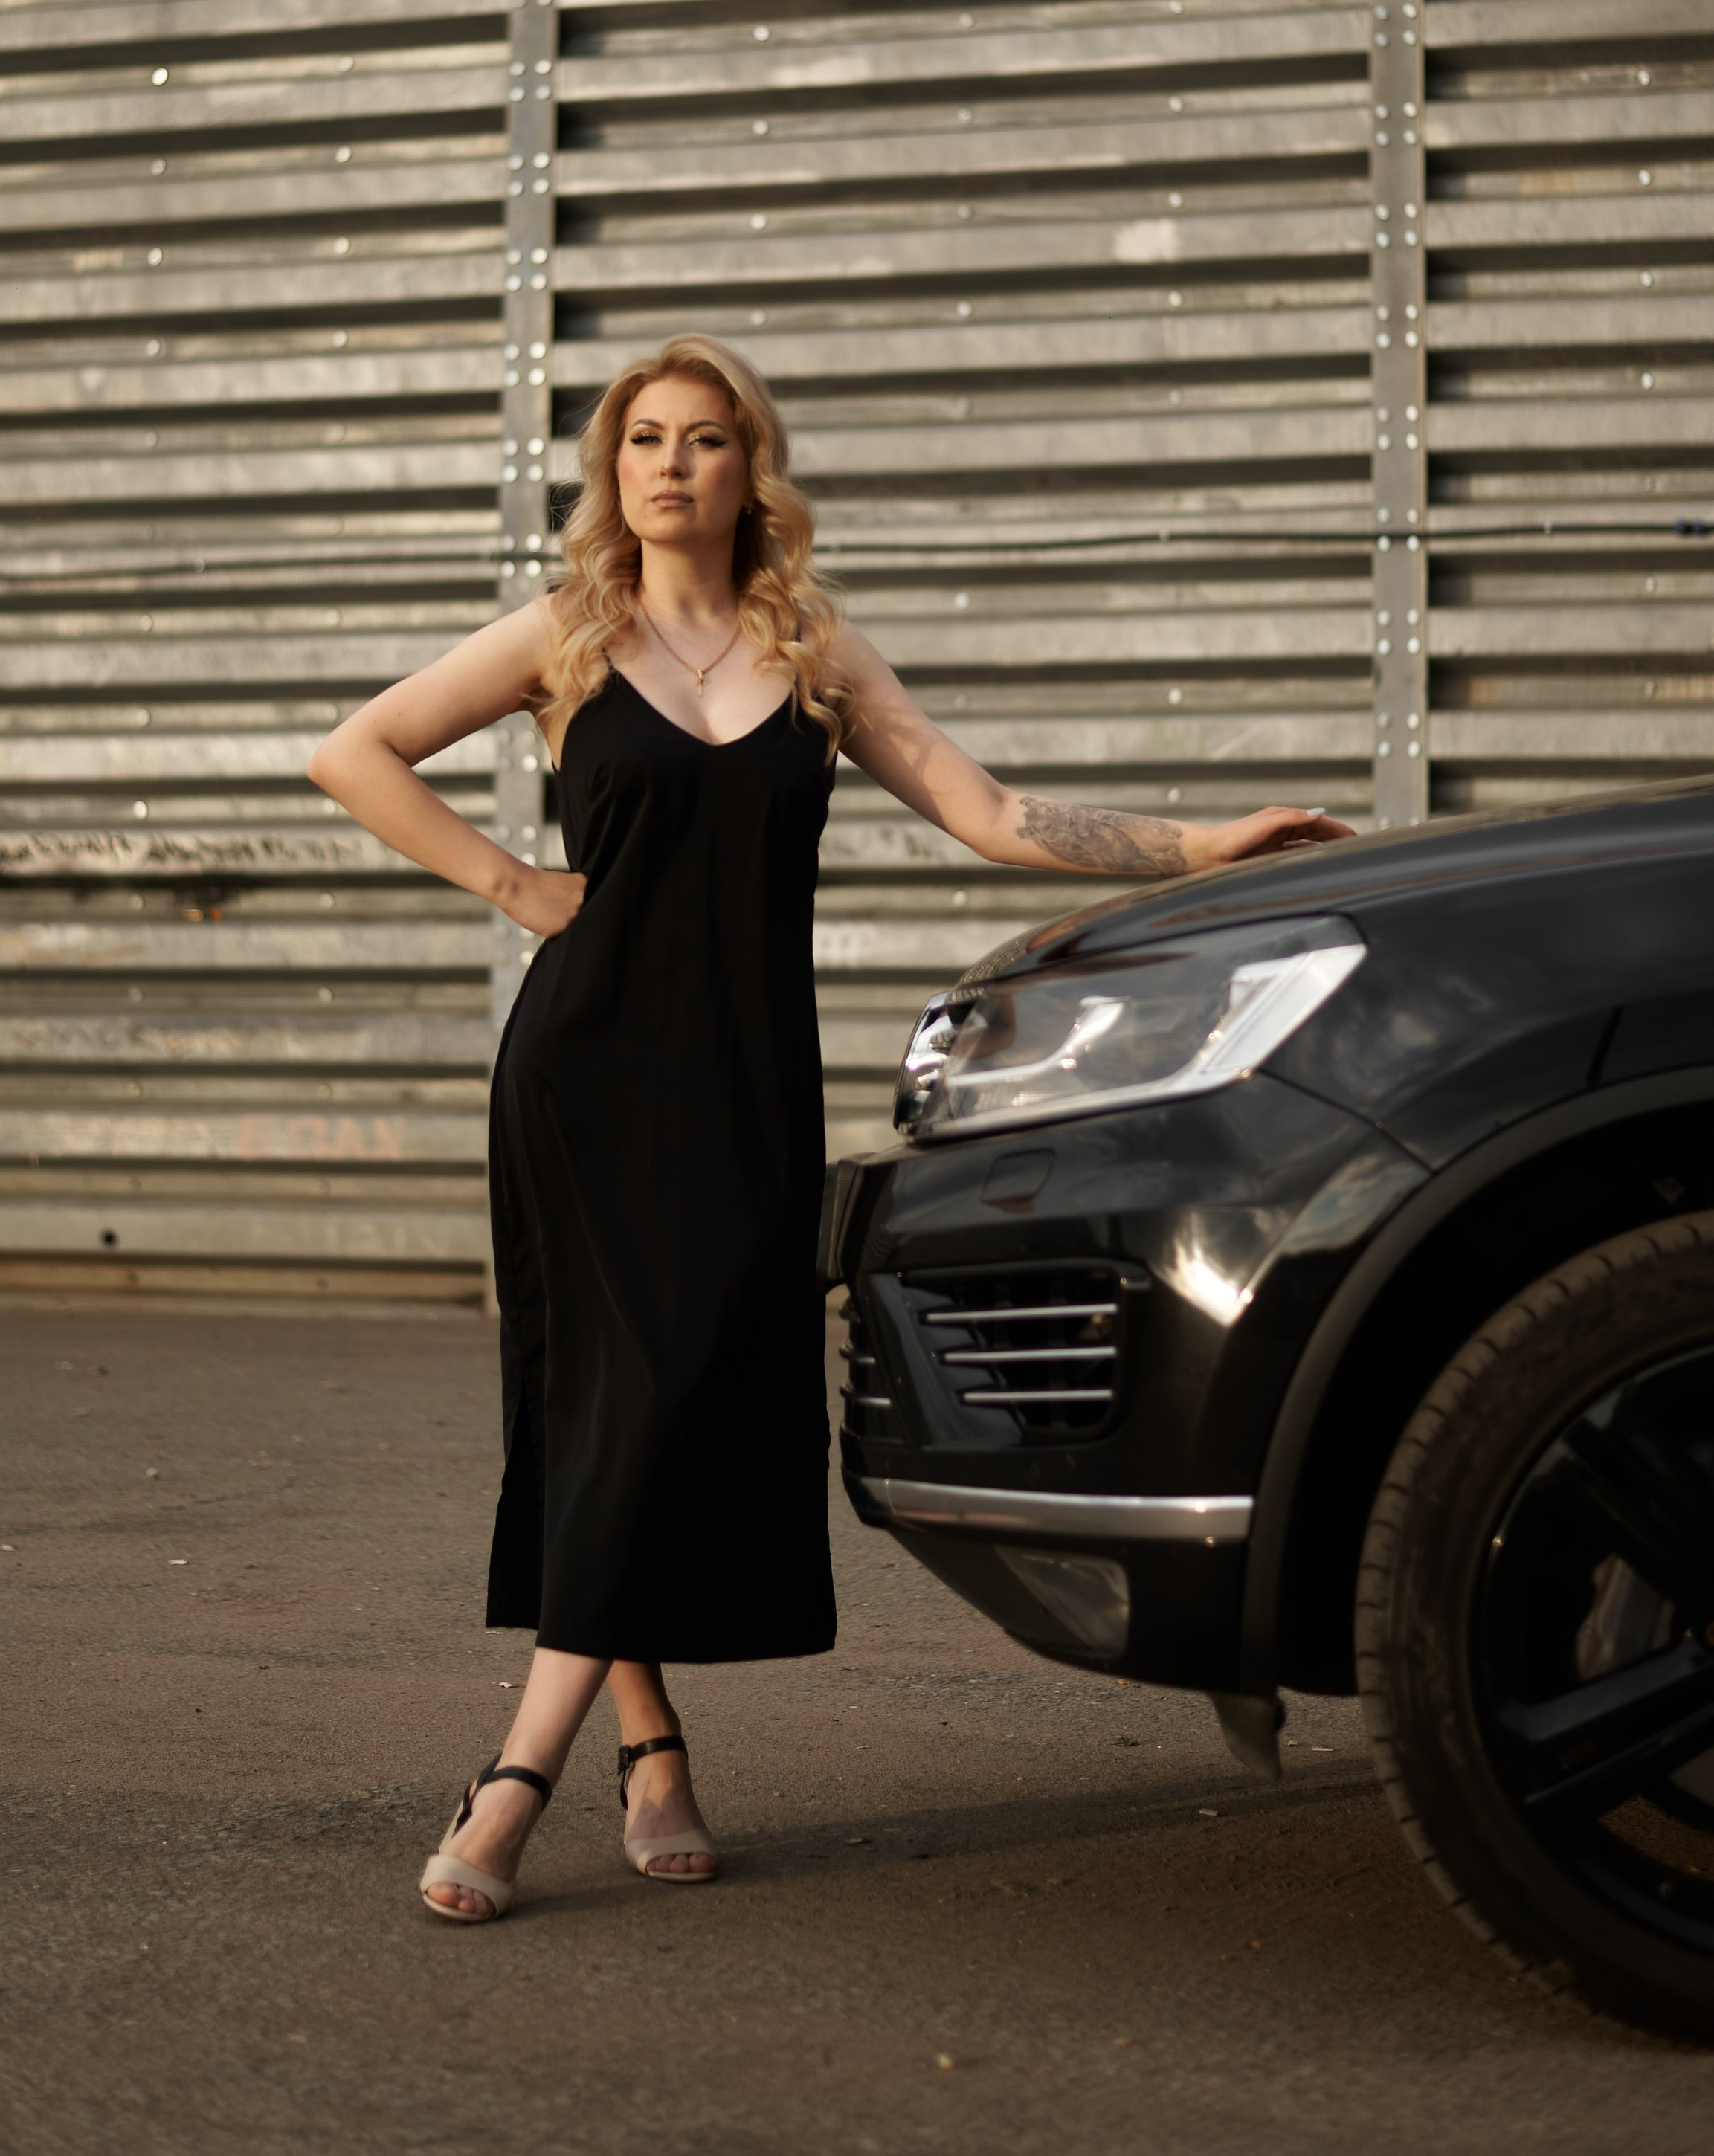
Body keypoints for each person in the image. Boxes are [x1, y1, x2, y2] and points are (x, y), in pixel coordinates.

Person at [309, 333, 1350, 1923]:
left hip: (743, 1083)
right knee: (624, 1404)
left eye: (702, 438)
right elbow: (352, 751)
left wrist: (1204, 844)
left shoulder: (813, 651)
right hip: (586, 1078)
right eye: (642, 438)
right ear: (612, 471)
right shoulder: (563, 634)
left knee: (668, 1401)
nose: (669, 463)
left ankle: (650, 1744)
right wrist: (512, 886)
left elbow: (988, 812)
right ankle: (521, 1774)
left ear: (751, 469)